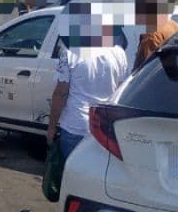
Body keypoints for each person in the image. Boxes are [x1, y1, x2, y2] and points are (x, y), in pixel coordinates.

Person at [46, 11, 131, 165]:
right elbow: (120, 93)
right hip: (104, 129)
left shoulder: (70, 53)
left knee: (72, 172)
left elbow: (60, 94)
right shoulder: (119, 53)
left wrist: (51, 127)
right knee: (96, 174)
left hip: (75, 126)